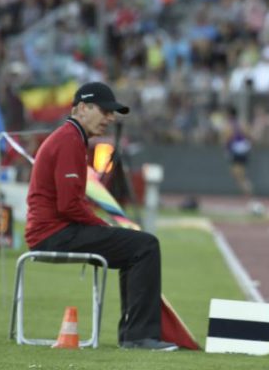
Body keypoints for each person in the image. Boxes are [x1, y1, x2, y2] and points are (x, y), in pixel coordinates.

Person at [24, 82, 177, 351]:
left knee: (135, 247)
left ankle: (134, 335)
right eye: (105, 111)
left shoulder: (70, 137)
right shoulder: (69, 140)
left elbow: (70, 204)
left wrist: (104, 228)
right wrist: (103, 225)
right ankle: (138, 337)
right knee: (145, 245)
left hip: (51, 231)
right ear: (82, 108)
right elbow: (69, 206)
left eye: (111, 113)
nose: (110, 118)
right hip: (54, 233)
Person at [222, 106, 254, 199]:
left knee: (237, 173)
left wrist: (226, 149)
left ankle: (248, 192)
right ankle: (247, 190)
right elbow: (249, 136)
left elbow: (227, 138)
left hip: (236, 150)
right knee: (240, 173)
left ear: (229, 114)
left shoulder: (229, 125)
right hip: (244, 149)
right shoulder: (242, 123)